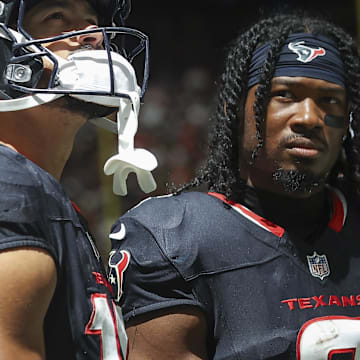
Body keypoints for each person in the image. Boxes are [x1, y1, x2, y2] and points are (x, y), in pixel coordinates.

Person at [108, 12, 360, 359]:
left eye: (329, 100)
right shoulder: (173, 239)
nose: (308, 118)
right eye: (284, 94)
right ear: (234, 110)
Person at [0, 0, 157, 359]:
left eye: (92, 23)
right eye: (58, 17)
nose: (92, 37)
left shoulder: (37, 186)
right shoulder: (10, 186)